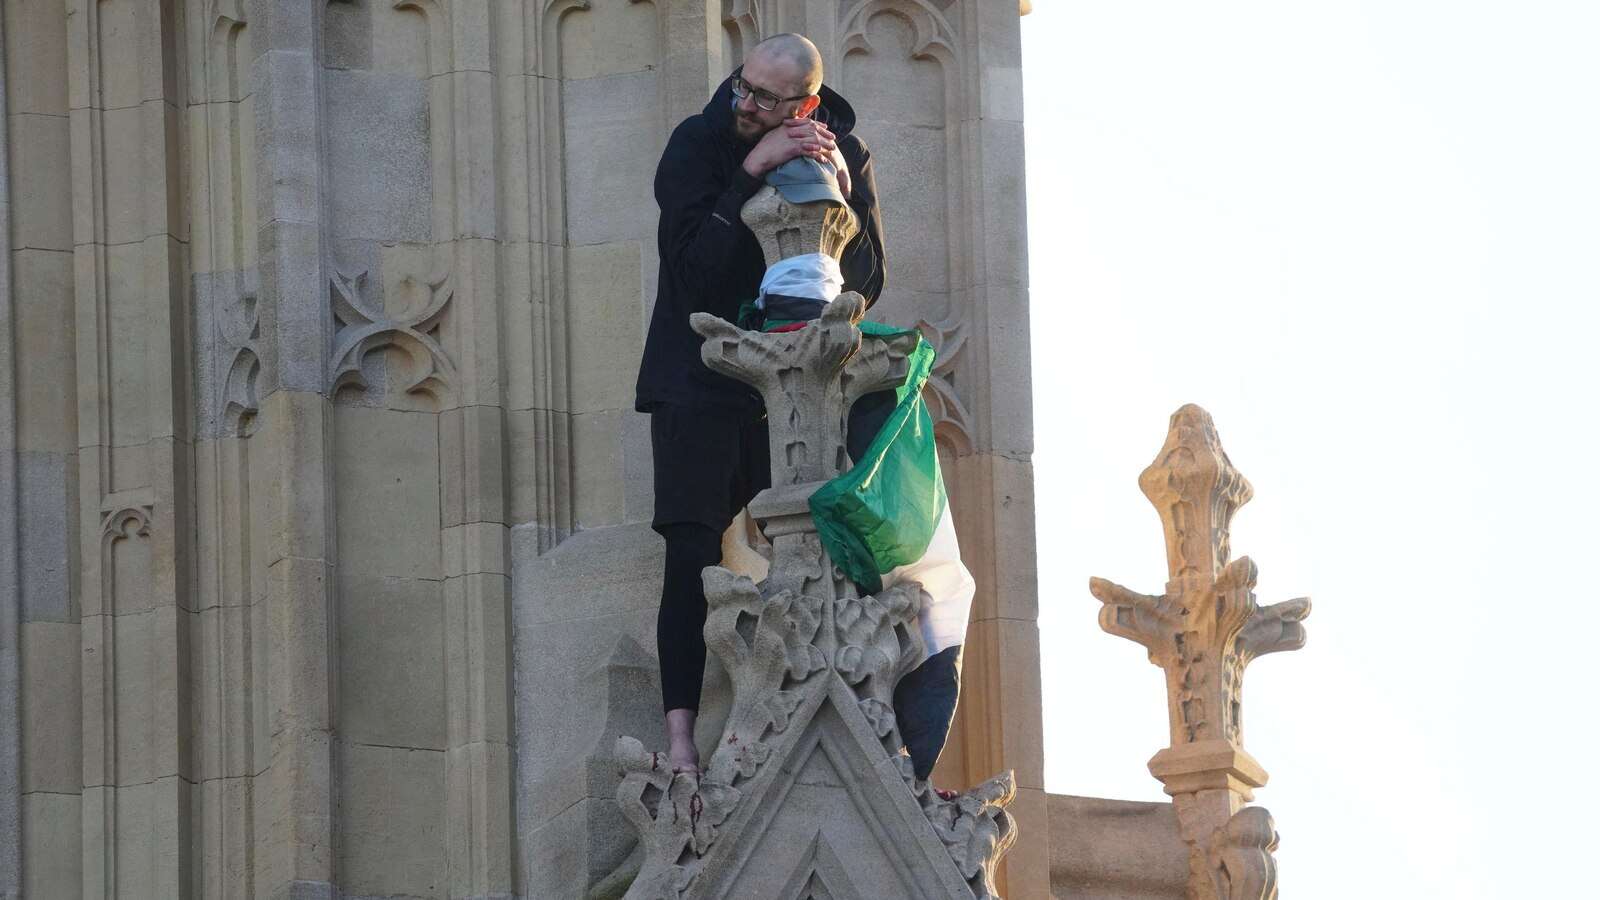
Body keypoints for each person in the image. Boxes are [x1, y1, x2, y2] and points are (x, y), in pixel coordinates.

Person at [635, 32, 886, 778]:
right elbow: (694, 270)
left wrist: (842, 189)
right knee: (689, 550)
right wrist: (751, 169)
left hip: (802, 381)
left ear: (804, 104)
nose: (743, 103)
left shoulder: (843, 144)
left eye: (765, 99)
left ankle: (847, 723)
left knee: (832, 534)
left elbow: (868, 280)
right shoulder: (699, 141)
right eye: (743, 87)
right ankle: (680, 741)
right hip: (700, 375)